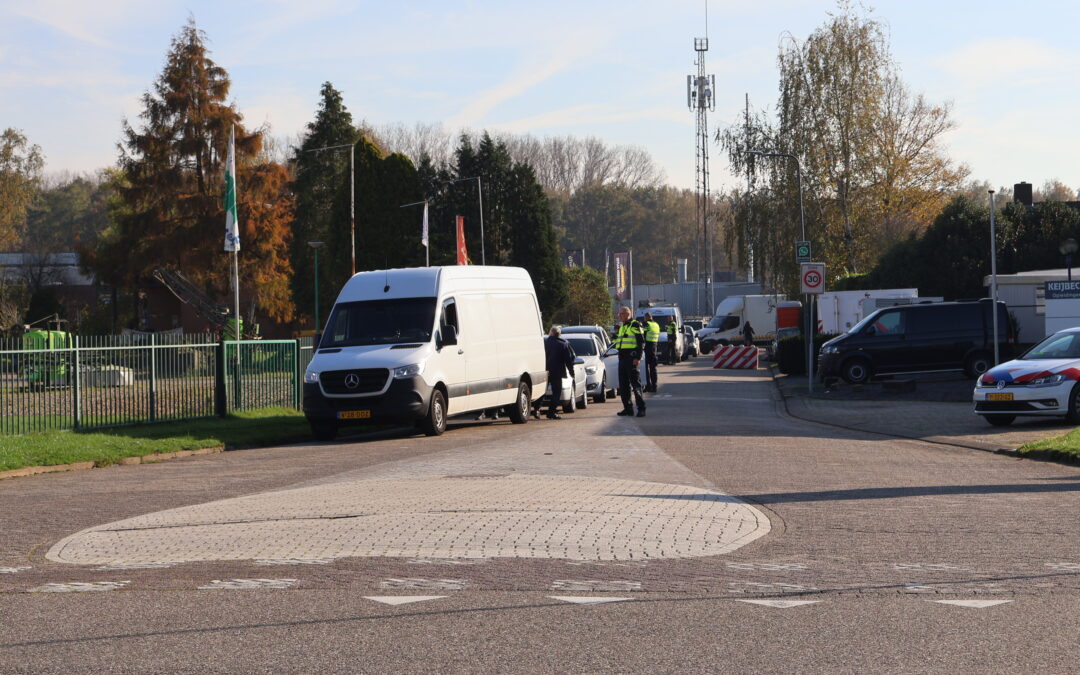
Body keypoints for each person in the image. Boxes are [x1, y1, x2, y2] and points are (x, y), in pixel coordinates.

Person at [613, 306, 646, 417]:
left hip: (631, 359)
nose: (619, 316)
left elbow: (641, 342)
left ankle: (641, 408)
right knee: (623, 386)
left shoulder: (635, 325)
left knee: (635, 384)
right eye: (619, 314)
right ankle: (628, 408)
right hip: (622, 358)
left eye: (621, 314)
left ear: (628, 314)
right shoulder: (622, 326)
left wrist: (638, 357)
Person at [543, 326, 576, 420]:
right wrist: (571, 372)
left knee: (541, 391)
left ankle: (536, 409)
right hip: (556, 373)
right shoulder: (562, 344)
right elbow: (568, 360)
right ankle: (551, 412)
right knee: (556, 393)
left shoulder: (544, 343)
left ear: (551, 333)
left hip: (544, 371)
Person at [642, 312, 660, 393]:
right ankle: (655, 386)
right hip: (654, 346)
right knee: (653, 368)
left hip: (647, 347)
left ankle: (648, 386)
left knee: (646, 369)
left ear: (646, 317)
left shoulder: (647, 324)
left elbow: (642, 334)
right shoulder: (656, 324)